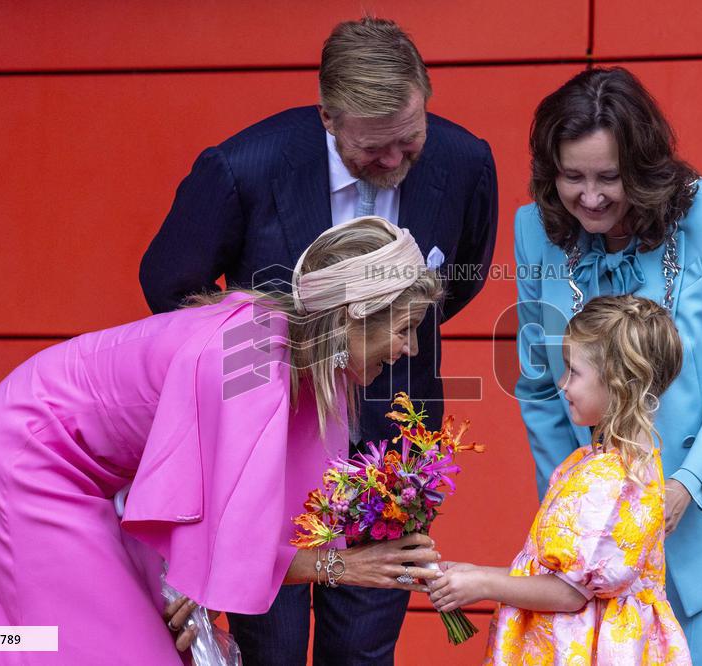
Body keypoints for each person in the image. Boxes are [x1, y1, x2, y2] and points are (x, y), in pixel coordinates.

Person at [0, 217, 443, 665]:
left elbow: (223, 529)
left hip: (84, 466)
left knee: (131, 644)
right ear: (354, 313)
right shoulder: (252, 361)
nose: (410, 348)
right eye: (405, 328)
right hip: (32, 459)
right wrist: (344, 567)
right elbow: (234, 543)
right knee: (113, 651)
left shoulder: (279, 348)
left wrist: (196, 588)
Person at [139, 16, 497, 665]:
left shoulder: (464, 158)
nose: (393, 162)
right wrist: (262, 370)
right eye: (373, 148)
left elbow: (458, 278)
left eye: (407, 142)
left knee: (363, 650)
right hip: (263, 447)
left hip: (389, 444)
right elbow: (170, 284)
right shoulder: (244, 165)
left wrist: (381, 340)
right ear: (329, 117)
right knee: (267, 641)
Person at [514, 67, 702, 664]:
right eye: (572, 176)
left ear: (645, 169)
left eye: (610, 177)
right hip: (602, 534)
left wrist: (684, 488)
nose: (591, 196)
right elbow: (541, 388)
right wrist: (571, 510)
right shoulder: (535, 230)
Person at [430, 295, 691, 664]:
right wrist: (476, 573)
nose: (563, 384)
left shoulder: (615, 479)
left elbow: (570, 593)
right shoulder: (598, 462)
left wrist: (482, 585)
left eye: (575, 371)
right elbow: (560, 574)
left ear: (619, 384)